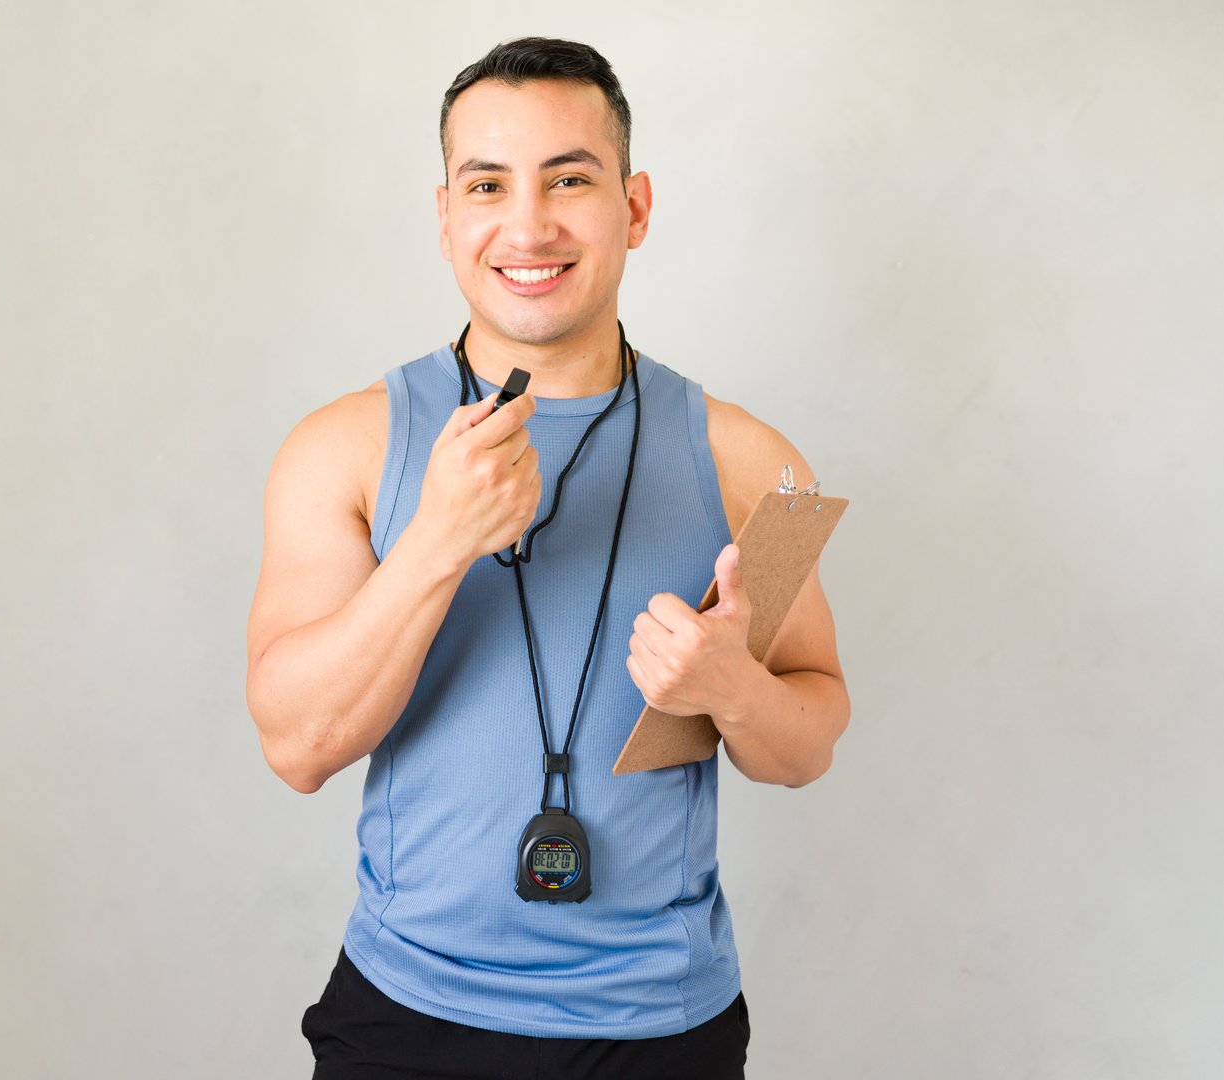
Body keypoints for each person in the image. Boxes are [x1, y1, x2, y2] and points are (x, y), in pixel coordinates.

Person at [245, 36, 849, 1079]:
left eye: (570, 179)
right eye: (488, 185)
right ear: (446, 219)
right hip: (406, 1016)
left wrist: (732, 689)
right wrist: (437, 543)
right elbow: (296, 749)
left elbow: (810, 742)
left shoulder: (763, 463)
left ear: (637, 207)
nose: (528, 224)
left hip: (663, 1029)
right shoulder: (338, 447)